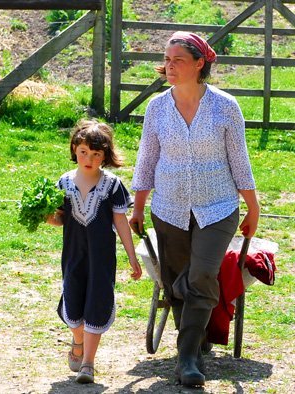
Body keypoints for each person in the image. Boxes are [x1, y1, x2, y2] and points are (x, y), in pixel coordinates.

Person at [129, 31, 260, 387]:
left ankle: (187, 357)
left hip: (217, 208)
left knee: (201, 274)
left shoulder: (225, 107)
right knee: (175, 280)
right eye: (167, 60)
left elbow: (239, 161)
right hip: (169, 207)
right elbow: (146, 161)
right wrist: (138, 207)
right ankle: (195, 337)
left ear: (199, 64)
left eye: (178, 61)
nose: (169, 67)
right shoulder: (157, 107)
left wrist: (253, 207)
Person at [47, 119, 142, 384]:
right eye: (84, 152)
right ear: (75, 149)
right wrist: (44, 216)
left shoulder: (112, 186)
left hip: (101, 259)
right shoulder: (64, 183)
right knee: (74, 305)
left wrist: (132, 257)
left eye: (96, 154)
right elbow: (60, 219)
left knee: (97, 303)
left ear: (105, 156)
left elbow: (121, 223)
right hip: (73, 257)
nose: (89, 158)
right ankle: (77, 340)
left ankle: (88, 363)